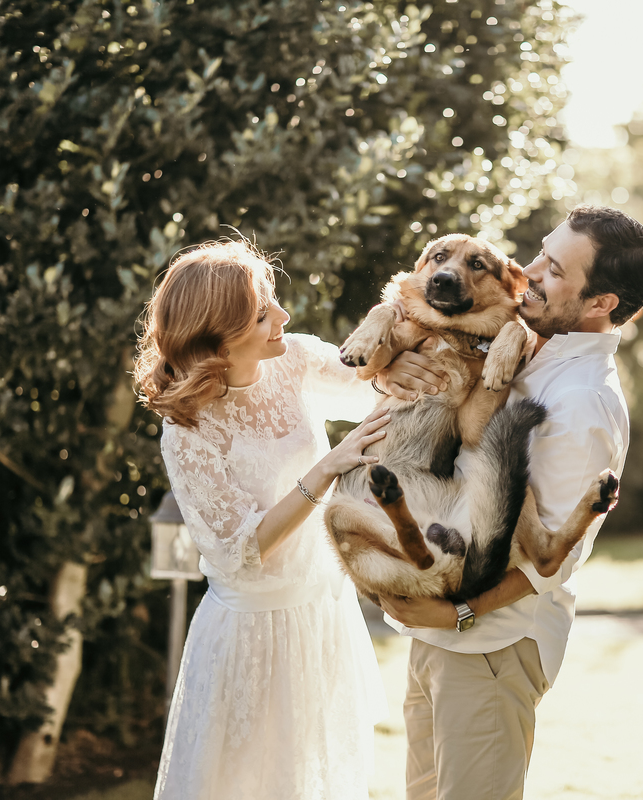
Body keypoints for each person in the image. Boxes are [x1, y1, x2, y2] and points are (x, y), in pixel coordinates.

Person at [133, 240, 446, 800]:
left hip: (322, 613)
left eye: (273, 300)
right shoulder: (188, 430)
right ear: (218, 337)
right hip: (252, 632)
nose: (283, 317)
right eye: (261, 314)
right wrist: (326, 469)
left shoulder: (294, 357)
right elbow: (244, 550)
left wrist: (412, 358)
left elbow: (369, 382)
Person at [379, 205, 643, 799]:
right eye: (540, 252)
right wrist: (395, 368)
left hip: (490, 643)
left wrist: (458, 614)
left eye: (554, 269)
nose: (527, 271)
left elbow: (552, 555)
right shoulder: (525, 347)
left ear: (600, 303)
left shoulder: (583, 402)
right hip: (439, 636)